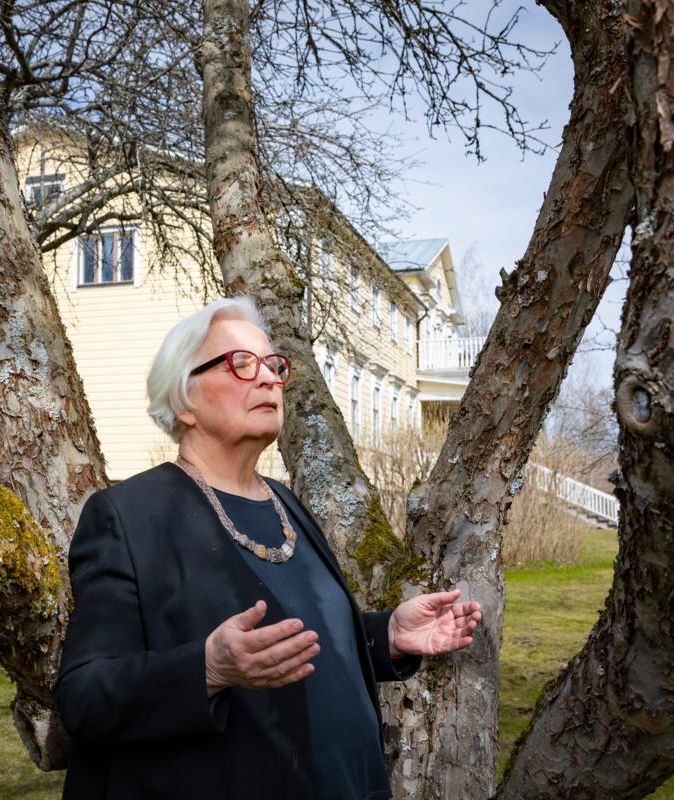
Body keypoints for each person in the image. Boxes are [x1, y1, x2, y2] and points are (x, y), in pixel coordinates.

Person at [54, 297, 482, 800]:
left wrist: (386, 634)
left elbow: (297, 639)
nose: (269, 380)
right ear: (183, 400)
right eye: (241, 363)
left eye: (274, 366)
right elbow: (83, 696)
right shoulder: (130, 516)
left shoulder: (285, 501)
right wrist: (208, 669)